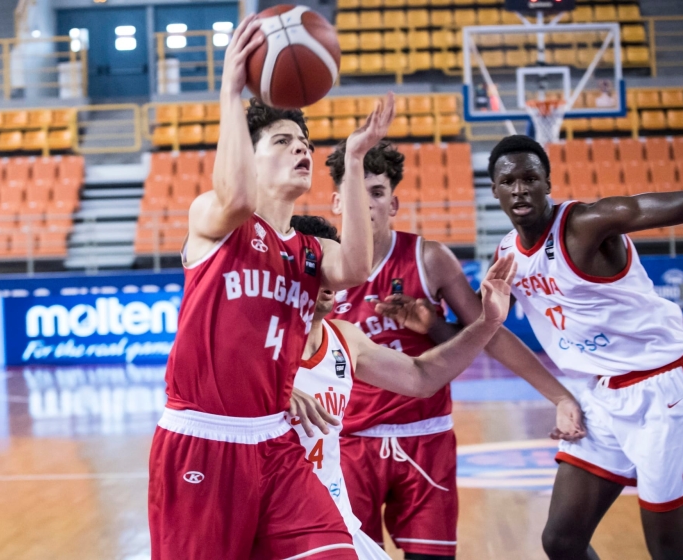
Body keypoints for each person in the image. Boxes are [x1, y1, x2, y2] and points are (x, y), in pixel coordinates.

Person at [147, 15, 396, 560]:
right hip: (203, 438)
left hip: (275, 441)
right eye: (283, 141)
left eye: (305, 142)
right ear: (249, 157)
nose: (302, 149)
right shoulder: (214, 219)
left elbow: (357, 267)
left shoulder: (309, 249)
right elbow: (237, 197)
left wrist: (354, 161)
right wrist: (230, 93)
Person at [485, 134, 683, 560]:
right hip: (601, 396)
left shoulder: (586, 224)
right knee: (561, 541)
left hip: (666, 387)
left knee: (671, 551)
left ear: (548, 183)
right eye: (509, 182)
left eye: (530, 178)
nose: (520, 189)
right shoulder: (507, 254)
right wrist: (425, 316)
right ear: (495, 190)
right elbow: (477, 330)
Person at [324, 140, 585, 559]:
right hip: (348, 442)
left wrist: (560, 396)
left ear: (393, 204)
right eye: (356, 192)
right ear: (337, 203)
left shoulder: (428, 258)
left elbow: (487, 333)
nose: (367, 204)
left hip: (425, 437)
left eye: (377, 192)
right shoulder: (321, 266)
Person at [287, 215, 517, 560]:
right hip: (282, 517)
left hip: (334, 516)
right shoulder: (254, 345)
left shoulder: (344, 337)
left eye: (334, 265)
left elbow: (421, 377)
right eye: (317, 265)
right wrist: (271, 389)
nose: (331, 277)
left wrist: (488, 322)